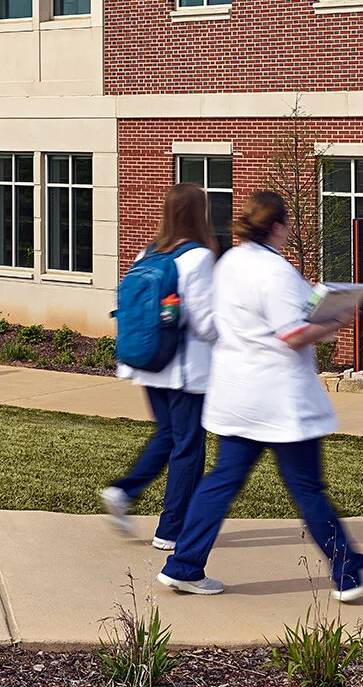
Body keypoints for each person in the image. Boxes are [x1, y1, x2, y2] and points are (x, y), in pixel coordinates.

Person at [156, 190, 363, 604]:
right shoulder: (276, 272)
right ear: (279, 227)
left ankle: (183, 565)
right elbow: (293, 334)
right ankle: (350, 573)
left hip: (237, 395)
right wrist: (338, 316)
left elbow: (217, 321)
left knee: (220, 482)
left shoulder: (229, 262)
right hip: (280, 401)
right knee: (307, 487)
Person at [102, 183, 222, 551]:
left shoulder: (148, 253)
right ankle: (171, 531)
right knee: (188, 447)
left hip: (148, 361)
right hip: (183, 371)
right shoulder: (198, 257)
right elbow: (205, 323)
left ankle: (124, 491)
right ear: (199, 213)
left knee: (168, 435)